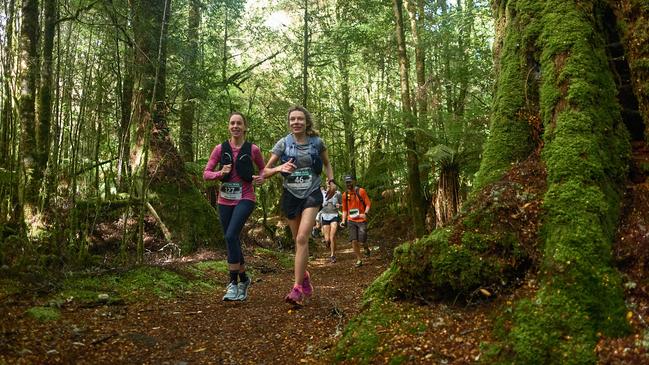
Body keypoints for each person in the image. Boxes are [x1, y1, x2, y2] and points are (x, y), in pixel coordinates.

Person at [263, 106, 335, 305]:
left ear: (306, 122)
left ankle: (296, 288)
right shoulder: (283, 144)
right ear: (289, 122)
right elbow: (264, 171)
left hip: (311, 193)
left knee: (303, 237)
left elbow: (327, 164)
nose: (296, 122)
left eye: (300, 119)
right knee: (298, 242)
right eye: (293, 119)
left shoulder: (317, 143)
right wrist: (279, 167)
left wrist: (331, 181)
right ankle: (305, 276)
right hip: (291, 195)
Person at [203, 112, 266, 301]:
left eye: (239, 123)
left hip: (245, 198)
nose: (235, 126)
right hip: (224, 201)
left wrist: (261, 178)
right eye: (232, 123)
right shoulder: (219, 149)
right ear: (228, 126)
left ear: (245, 127)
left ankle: (232, 283)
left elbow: (263, 168)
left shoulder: (253, 149)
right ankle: (244, 279)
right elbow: (206, 173)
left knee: (230, 235)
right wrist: (219, 173)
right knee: (233, 240)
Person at [341, 174, 371, 267]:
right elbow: (345, 209)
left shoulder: (361, 191)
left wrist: (365, 213)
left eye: (349, 182)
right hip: (351, 220)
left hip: (361, 220)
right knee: (354, 240)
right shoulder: (345, 195)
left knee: (362, 240)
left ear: (354, 182)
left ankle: (366, 248)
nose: (348, 184)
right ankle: (359, 259)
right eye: (346, 182)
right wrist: (343, 220)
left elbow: (368, 204)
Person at [320, 185, 342, 263]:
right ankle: (327, 242)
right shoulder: (322, 193)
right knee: (327, 239)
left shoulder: (338, 193)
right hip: (325, 215)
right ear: (326, 184)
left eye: (330, 182)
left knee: (332, 236)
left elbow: (342, 205)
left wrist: (339, 206)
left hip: (334, 215)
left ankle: (332, 255)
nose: (329, 184)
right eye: (327, 182)